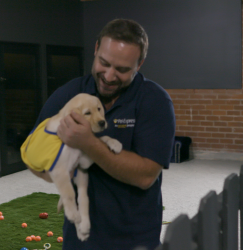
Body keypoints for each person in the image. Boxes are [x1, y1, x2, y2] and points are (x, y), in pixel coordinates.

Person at [34, 18, 176, 250]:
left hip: (134, 238)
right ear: (96, 48)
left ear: (139, 65)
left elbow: (145, 176)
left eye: (122, 70)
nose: (109, 76)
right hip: (79, 238)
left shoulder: (155, 101)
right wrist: (57, 165)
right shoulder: (70, 94)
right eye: (104, 63)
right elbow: (35, 155)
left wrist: (88, 144)